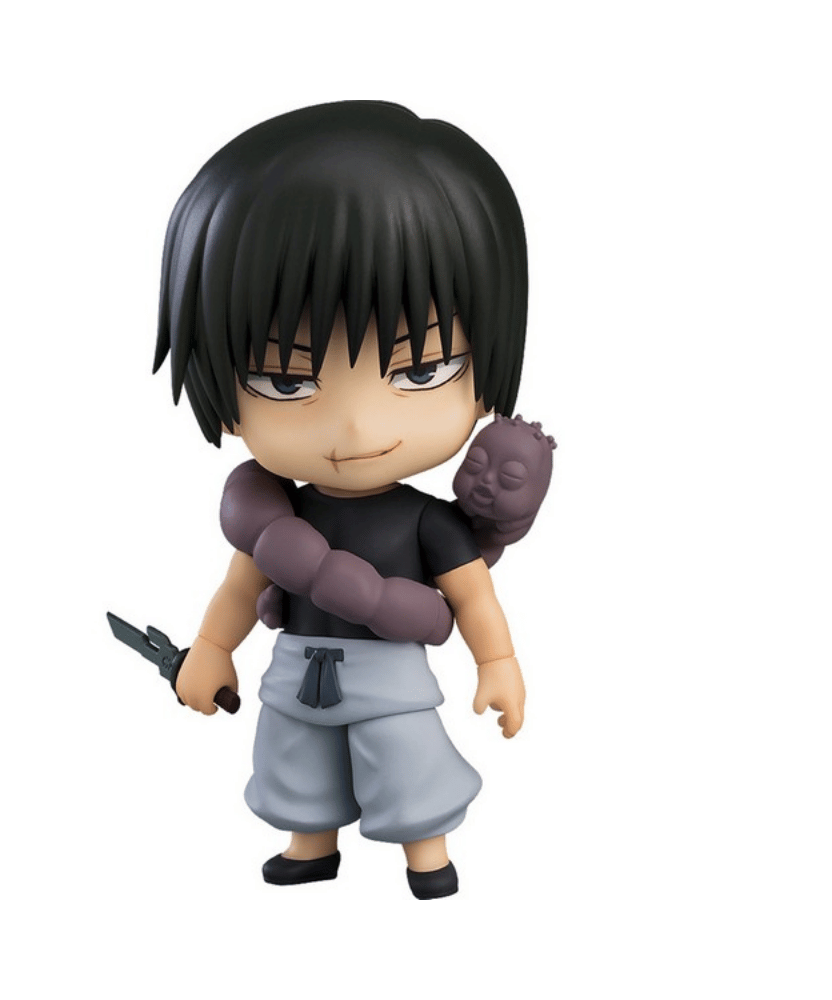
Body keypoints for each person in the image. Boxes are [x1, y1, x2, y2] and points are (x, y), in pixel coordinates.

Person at [154, 101, 529, 899]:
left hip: (390, 676)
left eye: (420, 371)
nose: (356, 426)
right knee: (293, 756)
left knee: (407, 759)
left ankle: (427, 854)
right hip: (298, 668)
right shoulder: (277, 518)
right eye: (287, 381)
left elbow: (472, 596)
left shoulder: (427, 521)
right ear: (226, 393)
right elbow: (240, 589)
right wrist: (213, 648)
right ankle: (310, 843)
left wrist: (498, 662)